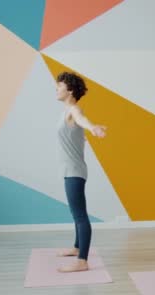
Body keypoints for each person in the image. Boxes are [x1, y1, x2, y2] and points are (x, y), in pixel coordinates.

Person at [54, 71, 106, 273]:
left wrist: (92, 127)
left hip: (74, 170)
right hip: (70, 169)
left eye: (60, 86)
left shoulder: (73, 110)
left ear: (70, 90)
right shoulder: (65, 111)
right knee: (76, 214)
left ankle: (82, 260)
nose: (57, 89)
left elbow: (82, 119)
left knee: (80, 215)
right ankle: (77, 248)